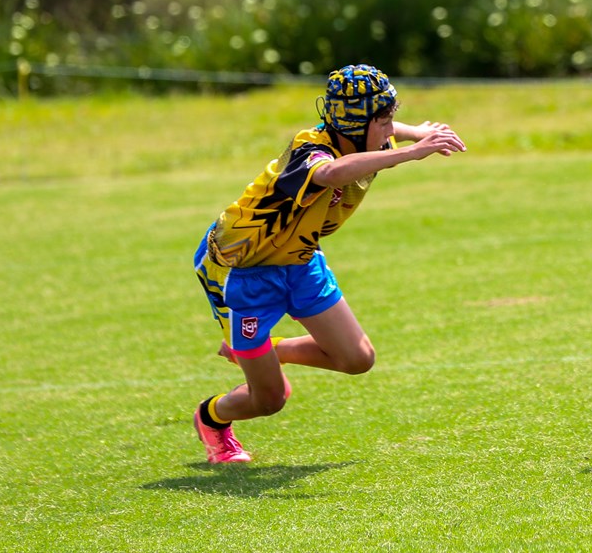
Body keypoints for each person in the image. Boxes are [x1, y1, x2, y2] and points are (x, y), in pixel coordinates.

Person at [192, 64, 466, 463]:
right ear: (356, 125)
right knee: (270, 399)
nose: (389, 131)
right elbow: (330, 173)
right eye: (383, 122)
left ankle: (270, 350)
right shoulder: (310, 150)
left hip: (301, 261)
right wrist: (411, 152)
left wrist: (418, 132)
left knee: (358, 359)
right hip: (241, 272)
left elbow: (382, 134)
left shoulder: (365, 138)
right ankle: (211, 418)